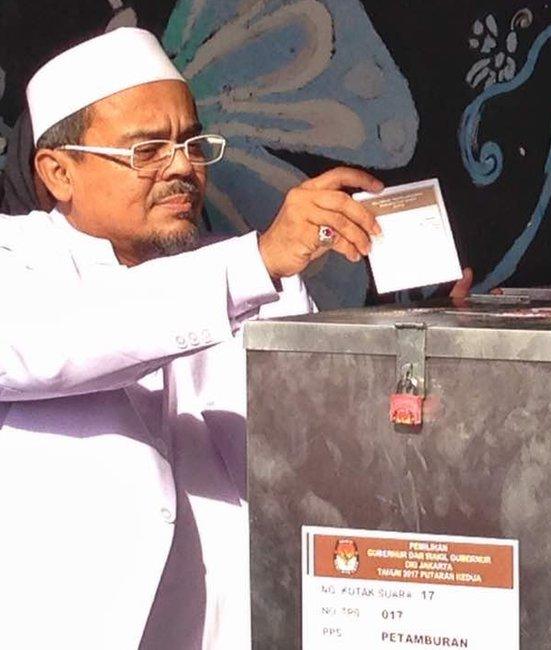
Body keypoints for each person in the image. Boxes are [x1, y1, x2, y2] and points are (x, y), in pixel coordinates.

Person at [0, 28, 384, 649]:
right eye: (147, 150)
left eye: (191, 143)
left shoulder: (259, 277)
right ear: (58, 172)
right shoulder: (17, 262)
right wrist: (255, 263)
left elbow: (325, 446)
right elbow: (62, 341)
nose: (182, 167)